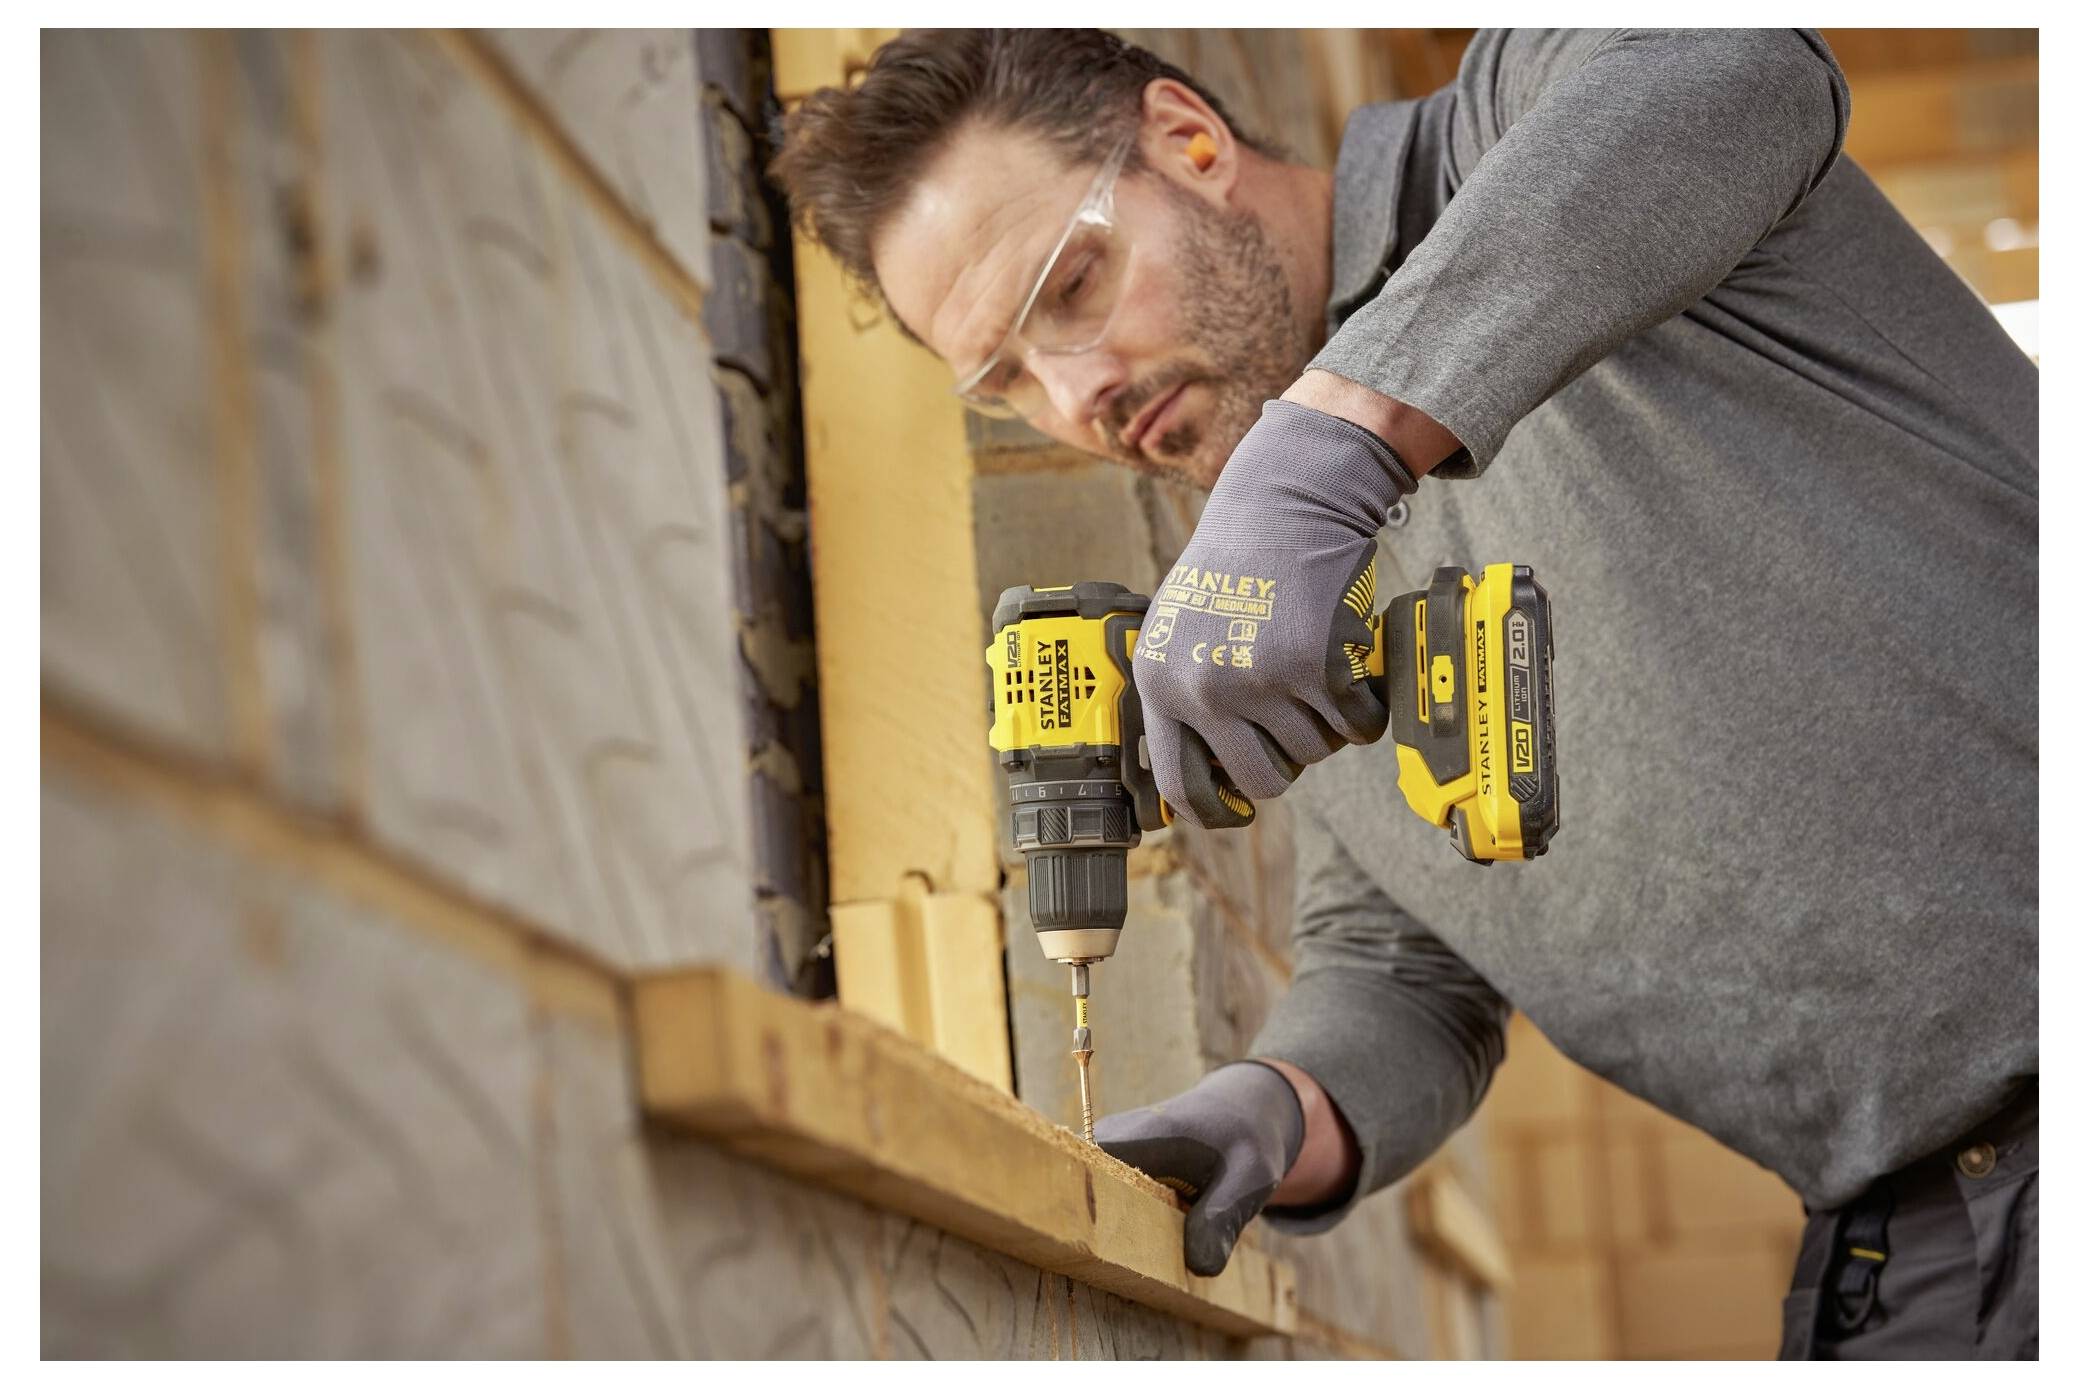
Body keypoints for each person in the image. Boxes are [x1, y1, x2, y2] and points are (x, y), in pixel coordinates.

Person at [772, 28, 2038, 1359]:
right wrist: (1285, 1104)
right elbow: (1405, 970)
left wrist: (1330, 445)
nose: (1077, 394)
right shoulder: (1298, 594)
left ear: (1189, 145)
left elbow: (1730, 68)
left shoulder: (1497, 130)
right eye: (1007, 380)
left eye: (1075, 285)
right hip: (1902, 1244)